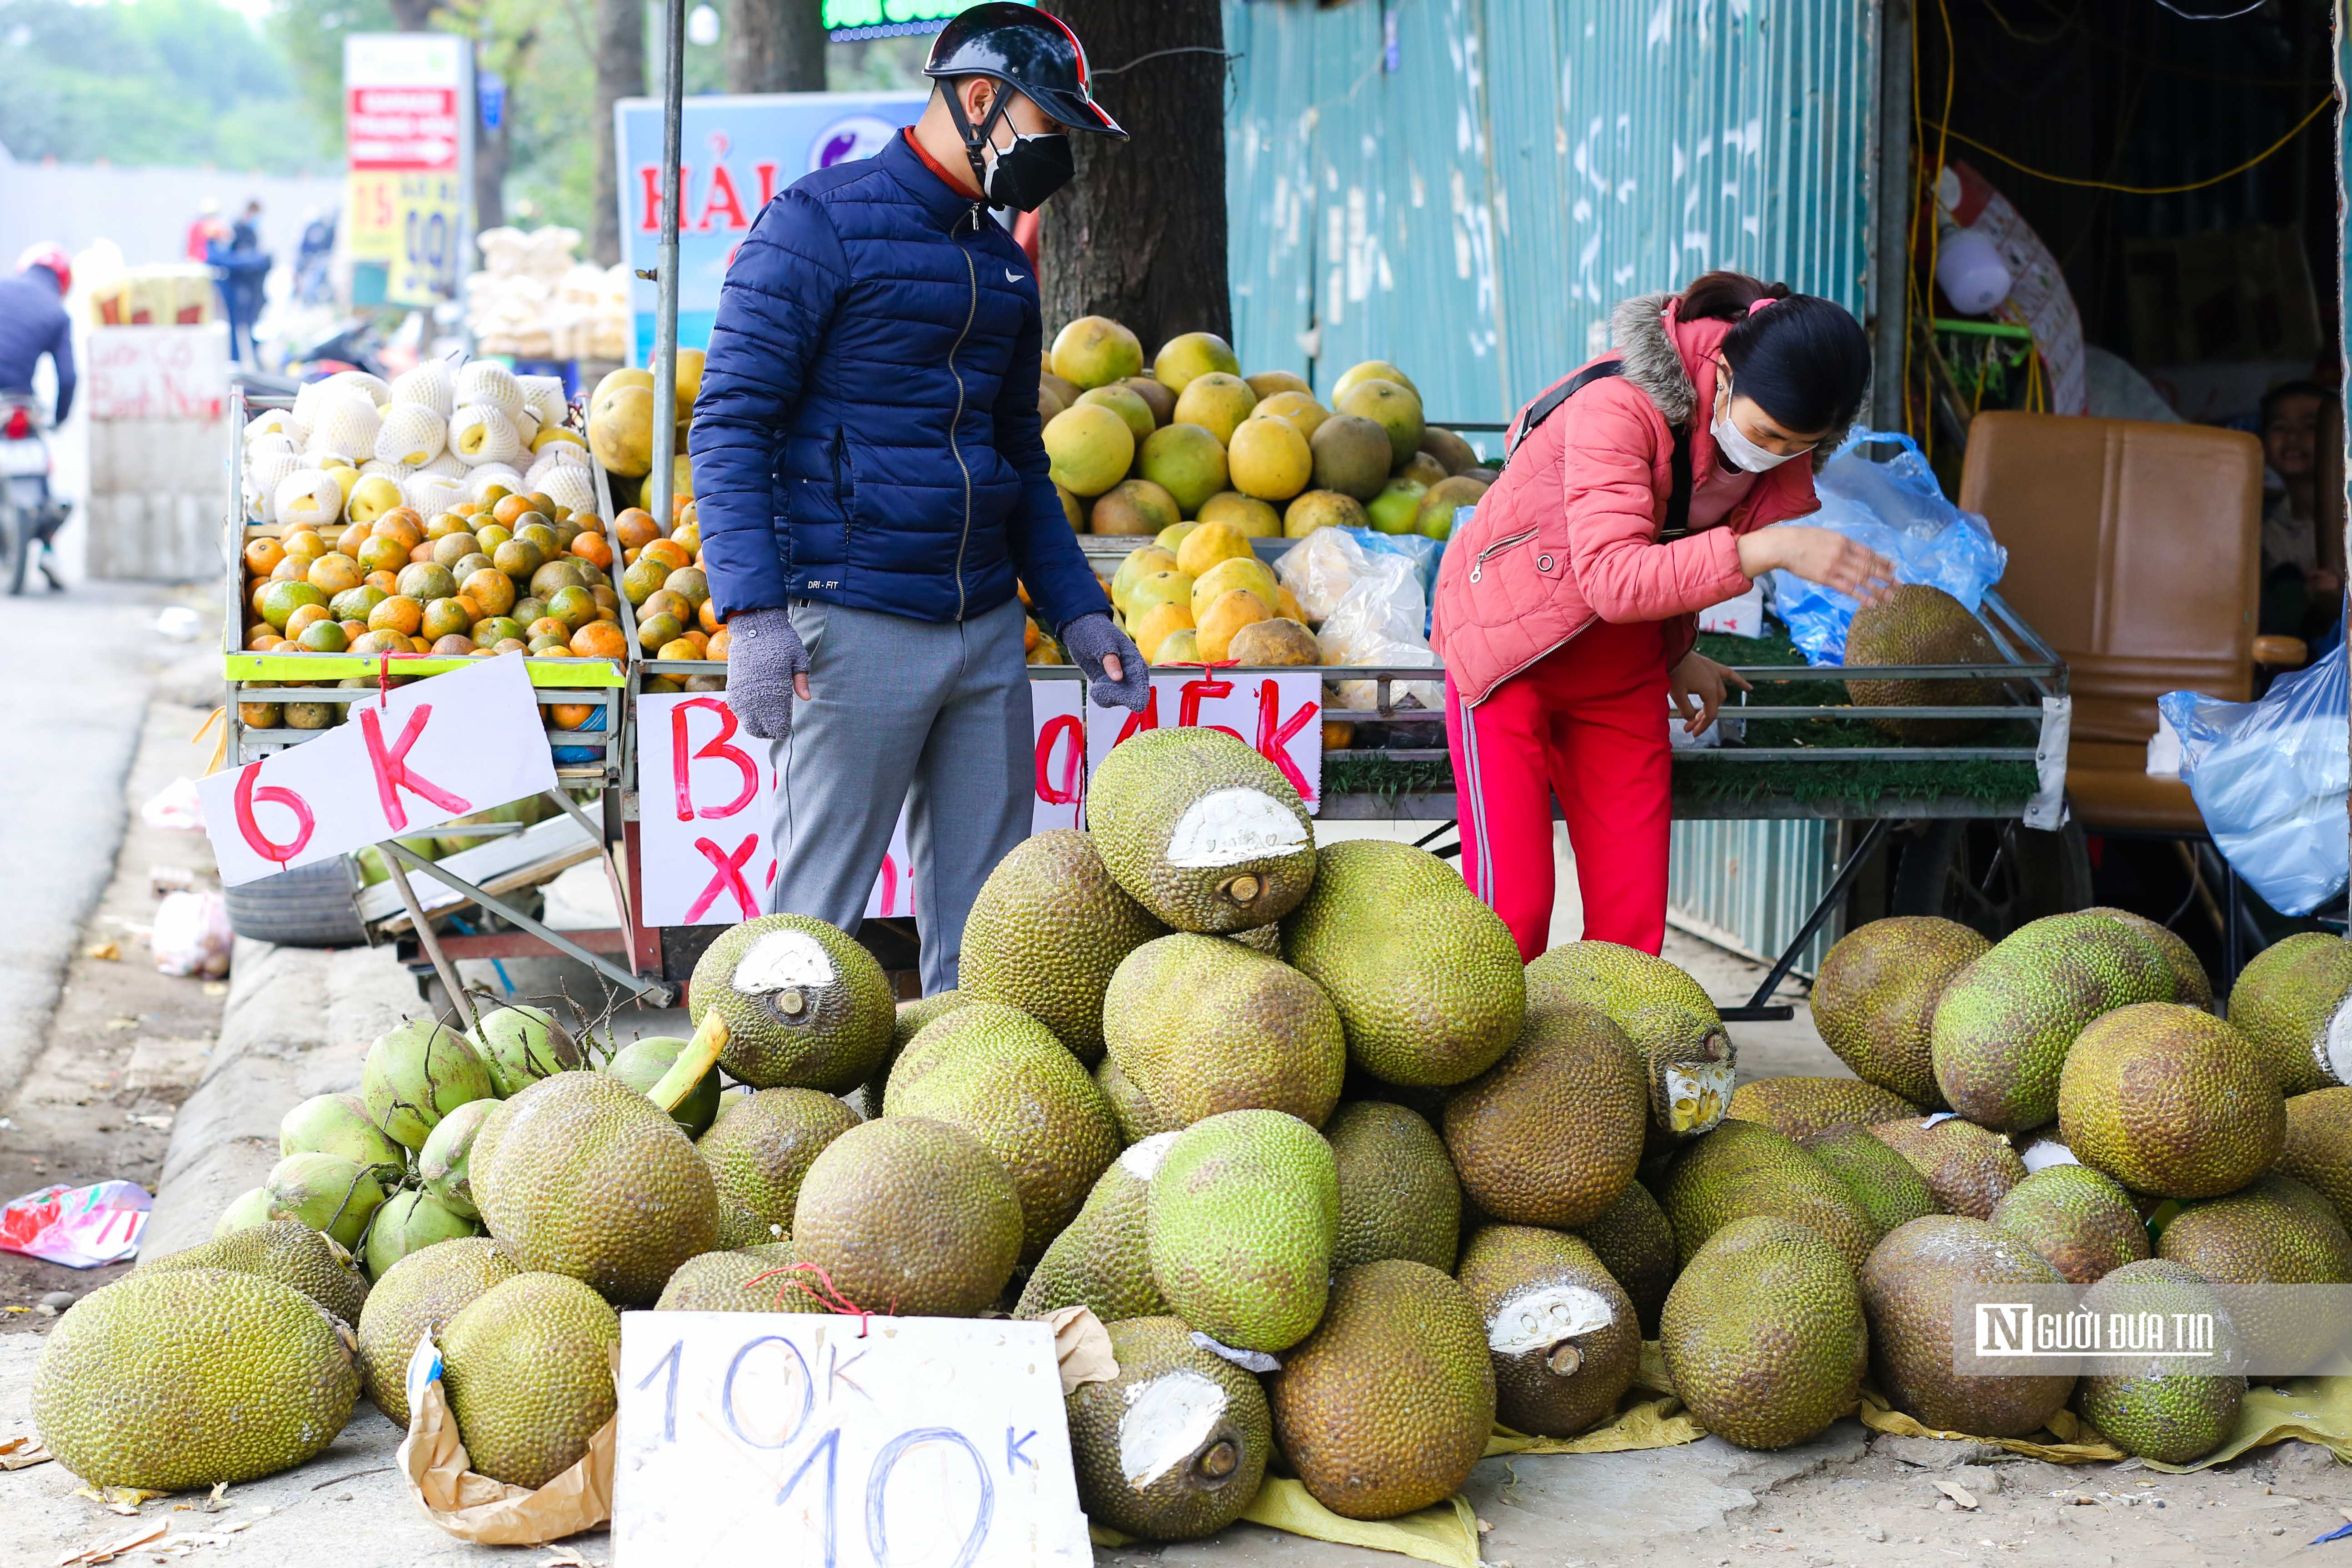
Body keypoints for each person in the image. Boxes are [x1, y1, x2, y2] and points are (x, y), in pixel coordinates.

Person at [690, 1, 1146, 995]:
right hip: (853, 623)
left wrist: (1076, 609)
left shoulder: (1001, 263)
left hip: (984, 629)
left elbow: (1018, 455)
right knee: (809, 937)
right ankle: (780, 1136)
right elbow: (728, 424)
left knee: (987, 936)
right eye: (1048, 125)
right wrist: (754, 615)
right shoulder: (816, 223)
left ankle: (950, 1137)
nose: (1056, 152)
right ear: (979, 99)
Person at [1432, 271, 1892, 960]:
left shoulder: (1772, 454)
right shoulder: (1615, 408)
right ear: (1726, 373)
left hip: (1620, 672)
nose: (1775, 455)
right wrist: (1769, 548)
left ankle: (1602, 1066)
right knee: (1512, 918)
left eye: (1799, 446)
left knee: (1631, 931)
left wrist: (1677, 650)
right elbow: (1614, 577)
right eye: (1767, 433)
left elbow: (1667, 542)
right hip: (1508, 658)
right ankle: (1486, 1064)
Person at [2256, 380, 2343, 641]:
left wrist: (2341, 595)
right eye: (2280, 427)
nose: (2293, 438)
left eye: (2311, 426)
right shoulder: (2267, 530)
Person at [207, 201, 270, 365]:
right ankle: (234, 360)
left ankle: (248, 359)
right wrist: (250, 260)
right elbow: (224, 259)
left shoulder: (251, 232)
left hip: (249, 288)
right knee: (233, 326)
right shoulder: (235, 230)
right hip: (233, 286)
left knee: (249, 325)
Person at [184, 198, 227, 264]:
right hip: (202, 260)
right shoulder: (208, 227)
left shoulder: (194, 225)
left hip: (192, 259)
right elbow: (226, 236)